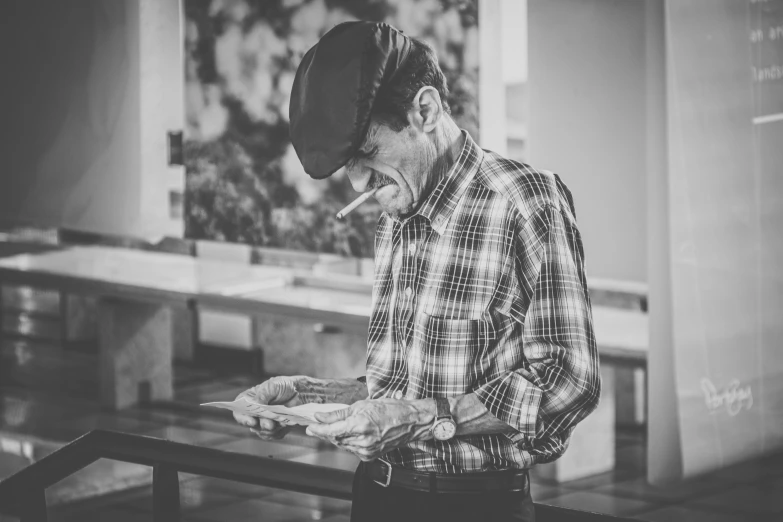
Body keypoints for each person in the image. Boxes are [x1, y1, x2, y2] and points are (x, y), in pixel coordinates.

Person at [233, 21, 600, 522]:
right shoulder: (396, 211)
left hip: (476, 508)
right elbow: (407, 384)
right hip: (377, 496)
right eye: (347, 165)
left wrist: (425, 418)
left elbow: (569, 380)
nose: (358, 183)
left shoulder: (525, 201)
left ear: (425, 111)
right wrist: (312, 397)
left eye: (367, 153)